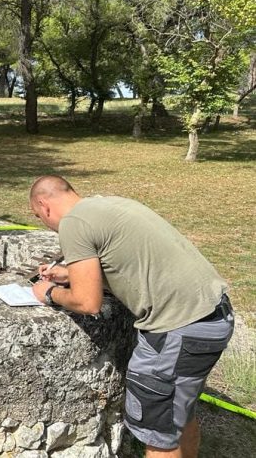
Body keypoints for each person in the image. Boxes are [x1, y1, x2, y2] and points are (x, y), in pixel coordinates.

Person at [28, 175, 234, 458]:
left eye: (39, 216)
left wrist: (49, 293)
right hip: (213, 315)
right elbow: (126, 264)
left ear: (43, 205)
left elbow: (88, 303)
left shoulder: (73, 223)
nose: (45, 222)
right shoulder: (109, 204)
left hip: (177, 328)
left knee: (159, 434)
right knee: (178, 414)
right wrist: (69, 274)